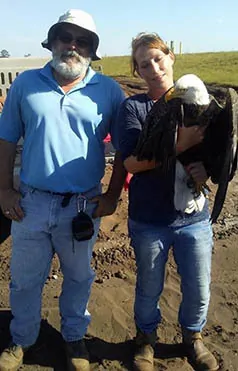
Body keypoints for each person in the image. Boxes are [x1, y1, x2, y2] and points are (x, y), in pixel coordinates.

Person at [0, 9, 126, 371]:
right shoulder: (26, 83)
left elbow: (124, 149)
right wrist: (4, 191)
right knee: (24, 280)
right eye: (65, 37)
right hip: (31, 203)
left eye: (82, 41)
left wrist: (113, 194)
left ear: (92, 50)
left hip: (82, 207)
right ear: (52, 41)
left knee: (78, 277)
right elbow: (6, 139)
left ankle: (74, 339)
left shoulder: (109, 90)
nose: (73, 45)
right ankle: (22, 337)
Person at [117, 33, 219, 371]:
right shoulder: (134, 107)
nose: (153, 67)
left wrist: (207, 169)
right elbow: (131, 162)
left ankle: (193, 337)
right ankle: (146, 339)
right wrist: (181, 143)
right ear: (138, 71)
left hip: (194, 219)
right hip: (149, 219)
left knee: (199, 286)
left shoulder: (206, 104)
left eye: (158, 59)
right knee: (149, 286)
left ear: (171, 56)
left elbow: (221, 158)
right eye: (144, 64)